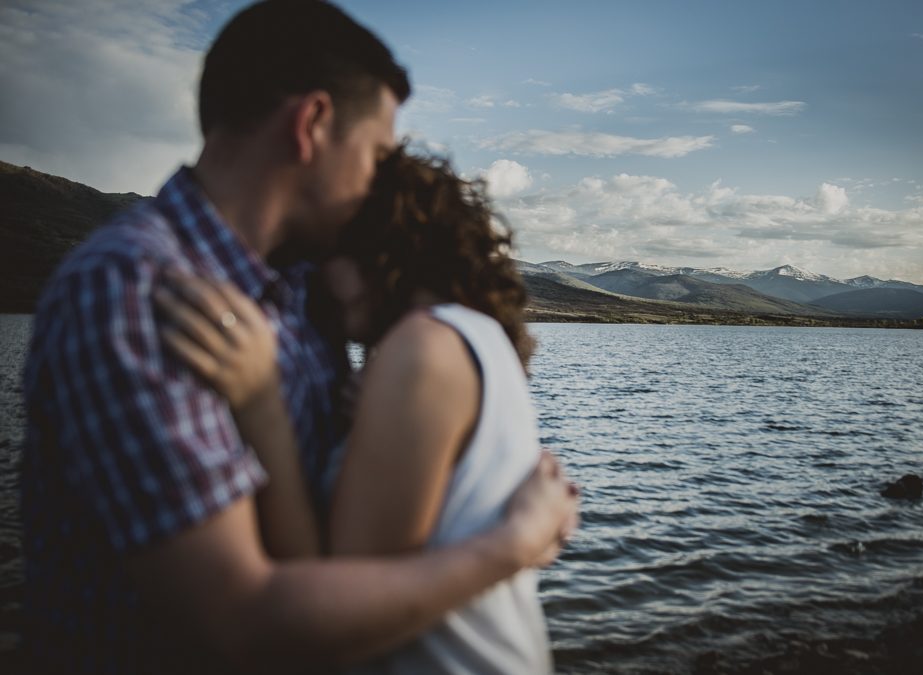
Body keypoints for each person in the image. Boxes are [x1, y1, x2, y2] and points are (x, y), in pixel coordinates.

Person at [18, 2, 577, 673]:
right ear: (311, 125)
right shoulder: (133, 290)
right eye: (376, 154)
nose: (381, 184)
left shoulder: (305, 288)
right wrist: (508, 545)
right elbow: (245, 625)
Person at [156, 148, 555, 673]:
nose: (316, 274)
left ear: (383, 248)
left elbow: (332, 612)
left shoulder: (423, 349)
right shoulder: (472, 337)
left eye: (331, 251)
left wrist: (262, 406)